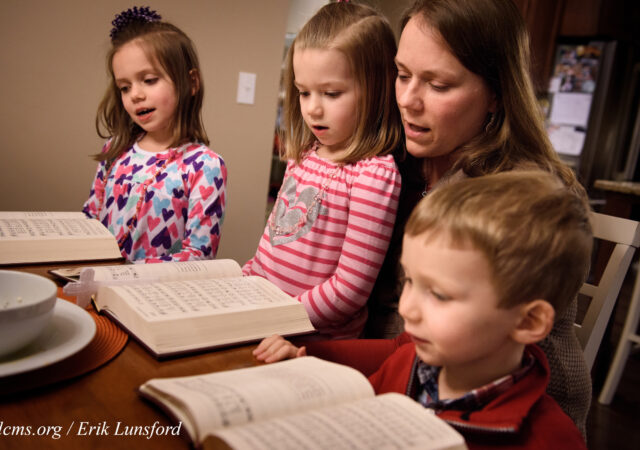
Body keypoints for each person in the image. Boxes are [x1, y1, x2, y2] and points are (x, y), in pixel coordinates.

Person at [359, 0, 592, 435]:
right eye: (403, 74)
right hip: (399, 376)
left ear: (496, 94)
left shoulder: (522, 194)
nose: (408, 101)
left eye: (439, 85)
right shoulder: (397, 164)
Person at [255, 171, 590, 449]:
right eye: (411, 281)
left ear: (528, 320)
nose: (407, 309)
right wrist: (308, 358)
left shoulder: (551, 439)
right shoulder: (406, 365)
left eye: (440, 295)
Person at [242, 2, 403, 339]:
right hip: (263, 318)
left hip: (312, 340)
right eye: (304, 92)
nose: (313, 109)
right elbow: (274, 238)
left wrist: (281, 317)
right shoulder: (303, 154)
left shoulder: (373, 175)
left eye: (331, 93)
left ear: (377, 89)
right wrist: (246, 279)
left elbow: (349, 290)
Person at [83, 6, 226, 263]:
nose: (135, 94)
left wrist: (130, 274)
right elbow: (91, 216)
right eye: (125, 87)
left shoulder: (205, 166)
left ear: (191, 83)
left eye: (148, 80)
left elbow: (198, 254)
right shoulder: (114, 149)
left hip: (154, 297)